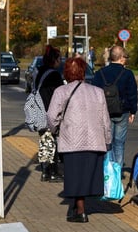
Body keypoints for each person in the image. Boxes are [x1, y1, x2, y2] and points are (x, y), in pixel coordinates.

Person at [47, 57, 111, 223]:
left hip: (71, 140)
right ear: (83, 72)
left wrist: (55, 130)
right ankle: (78, 208)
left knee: (74, 175)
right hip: (94, 141)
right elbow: (105, 120)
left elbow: (52, 117)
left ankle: (80, 210)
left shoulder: (61, 91)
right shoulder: (97, 92)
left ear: (66, 73)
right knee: (86, 175)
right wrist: (107, 140)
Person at [92, 45, 138, 174]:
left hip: (104, 112)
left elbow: (94, 93)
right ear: (121, 58)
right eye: (126, 57)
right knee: (119, 143)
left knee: (107, 143)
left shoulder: (100, 73)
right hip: (122, 112)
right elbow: (132, 94)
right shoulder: (127, 74)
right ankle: (118, 173)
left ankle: (108, 171)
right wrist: (133, 111)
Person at [37, 45, 66, 182]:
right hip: (51, 110)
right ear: (54, 60)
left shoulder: (40, 72)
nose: (60, 61)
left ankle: (45, 171)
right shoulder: (54, 75)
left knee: (44, 140)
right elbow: (60, 94)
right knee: (53, 141)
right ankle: (53, 172)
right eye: (59, 59)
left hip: (39, 111)